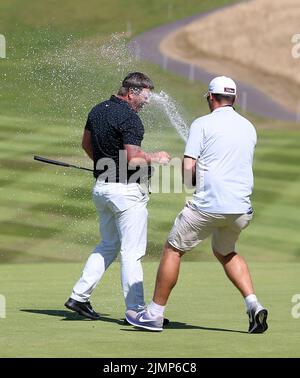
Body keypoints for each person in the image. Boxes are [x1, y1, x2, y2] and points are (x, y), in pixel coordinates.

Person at [126, 76, 268, 333]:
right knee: (226, 252)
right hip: (240, 209)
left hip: (209, 205)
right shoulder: (249, 127)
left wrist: (191, 184)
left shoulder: (202, 124)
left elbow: (189, 165)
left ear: (211, 98)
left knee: (173, 249)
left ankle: (154, 315)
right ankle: (253, 304)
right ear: (234, 99)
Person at [64, 72, 170, 322]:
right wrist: (157, 157)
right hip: (126, 193)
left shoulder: (98, 109)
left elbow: (86, 144)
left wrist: (104, 165)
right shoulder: (129, 118)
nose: (146, 102)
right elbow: (133, 158)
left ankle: (79, 296)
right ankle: (136, 311)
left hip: (102, 188)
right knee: (132, 252)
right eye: (144, 97)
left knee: (109, 244)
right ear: (132, 92)